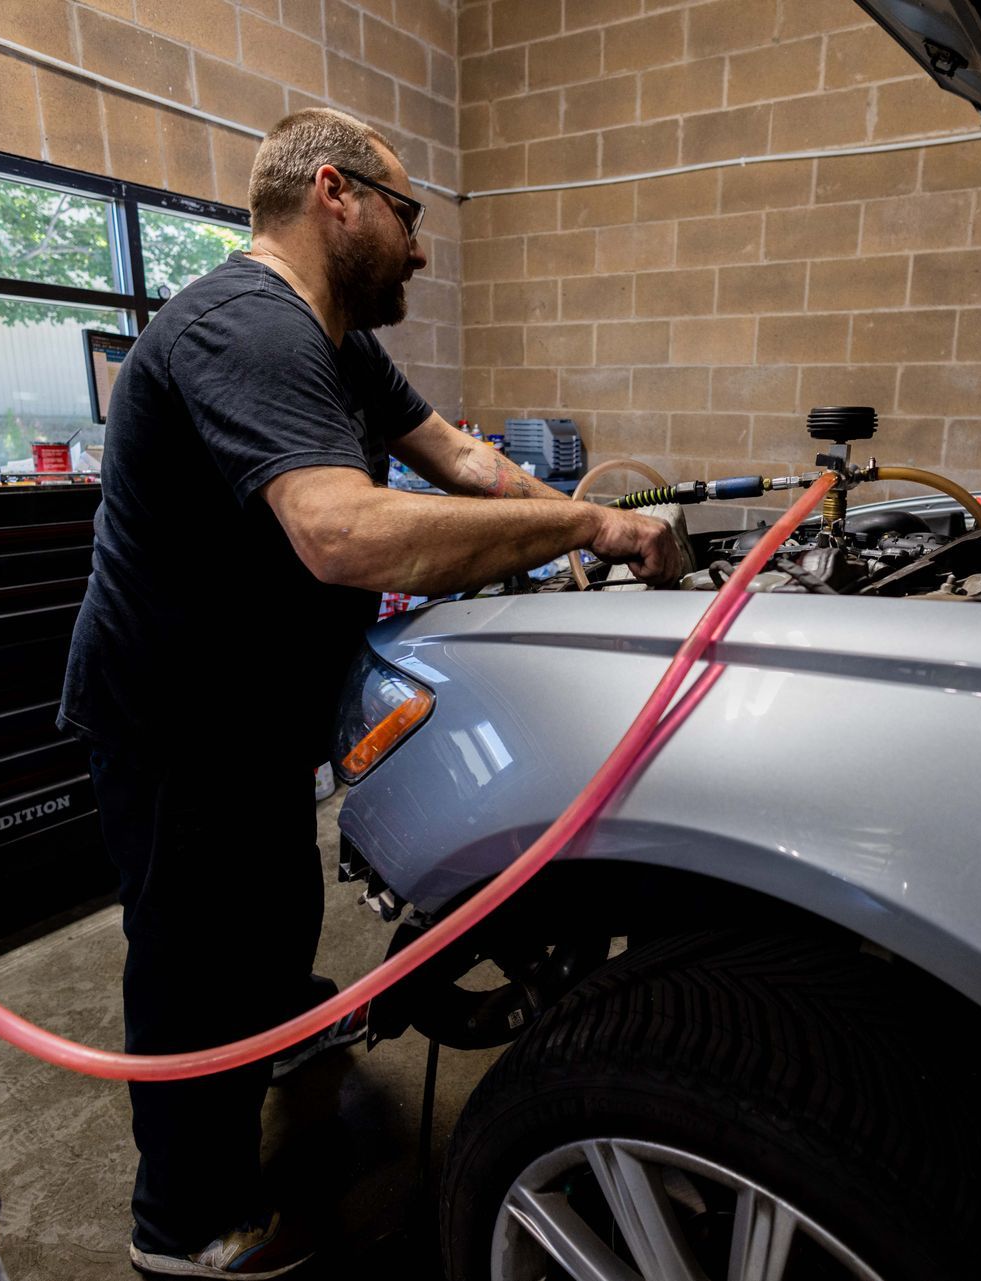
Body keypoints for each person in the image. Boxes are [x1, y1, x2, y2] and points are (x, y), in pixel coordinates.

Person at [57, 108, 682, 1279]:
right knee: (192, 957)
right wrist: (581, 526)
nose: (422, 247)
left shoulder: (336, 340)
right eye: (409, 214)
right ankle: (184, 1223)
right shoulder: (244, 327)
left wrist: (579, 521)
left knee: (275, 907)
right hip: (177, 716)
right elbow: (340, 534)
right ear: (334, 194)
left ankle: (280, 1031)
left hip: (259, 707)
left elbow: (460, 456)